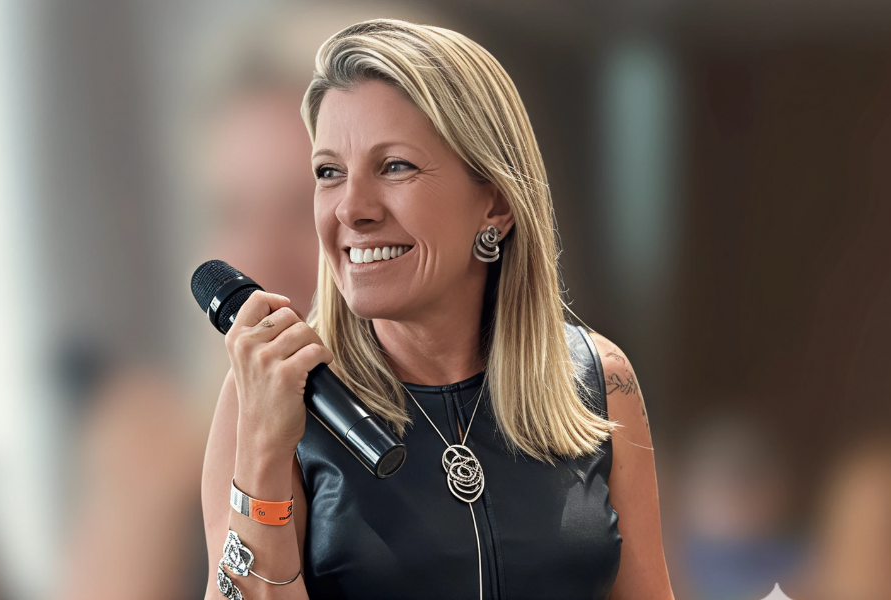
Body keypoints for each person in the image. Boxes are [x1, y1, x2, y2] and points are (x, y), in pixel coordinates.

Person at [202, 19, 675, 600]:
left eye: (394, 166)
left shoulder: (600, 380)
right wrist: (263, 452)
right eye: (329, 173)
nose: (351, 208)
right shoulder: (269, 392)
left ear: (495, 204)